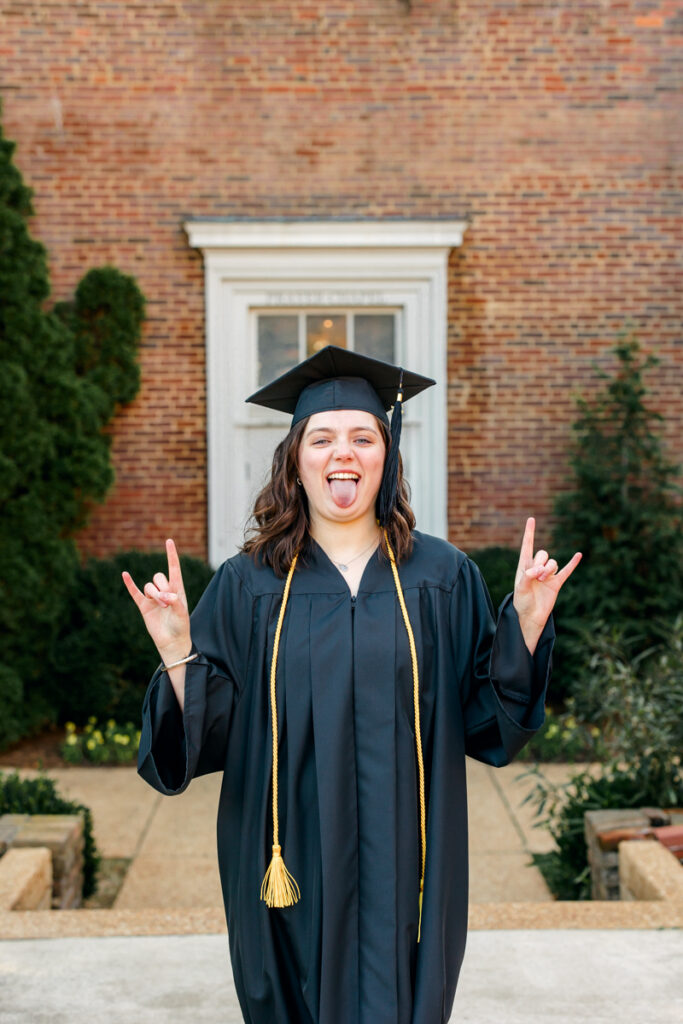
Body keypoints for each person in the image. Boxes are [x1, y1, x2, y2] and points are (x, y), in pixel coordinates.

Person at [122, 345, 581, 1024]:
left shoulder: (441, 577)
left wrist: (524, 629)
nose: (344, 452)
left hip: (408, 856)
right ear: (296, 460)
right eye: (323, 438)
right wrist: (179, 655)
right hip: (286, 857)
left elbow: (485, 722)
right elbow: (201, 741)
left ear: (385, 457)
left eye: (363, 437)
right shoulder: (247, 585)